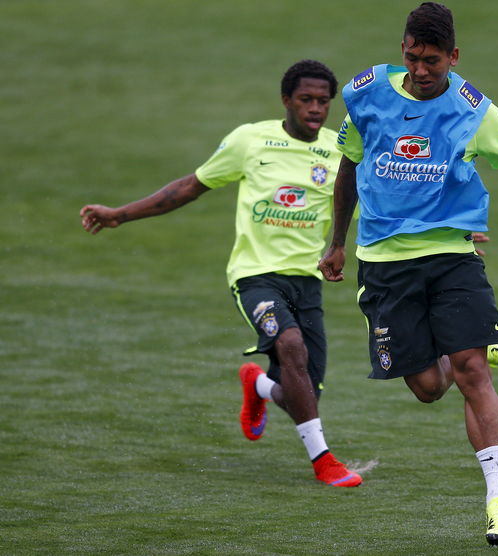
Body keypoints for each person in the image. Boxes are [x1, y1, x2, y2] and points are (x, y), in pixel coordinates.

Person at [318, 2, 498, 546]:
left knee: (471, 373)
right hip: (383, 263)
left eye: (434, 62)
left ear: (454, 57)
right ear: (403, 49)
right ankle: (474, 343)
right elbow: (349, 166)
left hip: (452, 254)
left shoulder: (474, 109)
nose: (422, 70)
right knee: (427, 387)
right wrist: (336, 243)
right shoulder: (367, 93)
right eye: (413, 57)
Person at [80, 60, 363, 487]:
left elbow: (383, 194)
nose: (316, 109)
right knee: (291, 346)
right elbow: (190, 186)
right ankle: (324, 462)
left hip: (307, 282)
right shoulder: (250, 140)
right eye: (306, 99)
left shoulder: (337, 151)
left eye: (323, 101)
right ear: (286, 100)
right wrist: (120, 214)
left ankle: (258, 385)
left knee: (304, 392)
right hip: (255, 278)